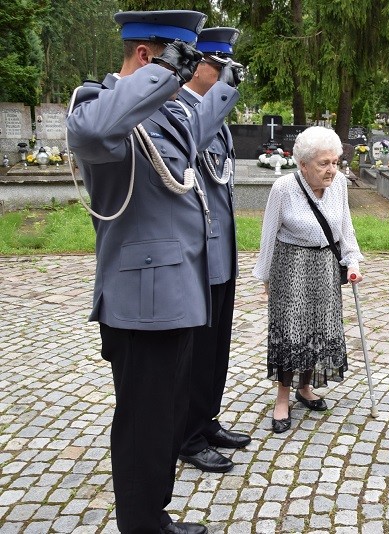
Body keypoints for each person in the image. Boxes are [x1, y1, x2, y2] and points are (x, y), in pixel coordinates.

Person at [66, 10, 237, 534]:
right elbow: (93, 135)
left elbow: (194, 136)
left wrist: (225, 86)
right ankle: (141, 525)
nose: (185, 78)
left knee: (163, 416)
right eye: (181, 65)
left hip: (178, 291)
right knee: (144, 422)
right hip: (142, 301)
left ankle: (153, 515)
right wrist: (164, 75)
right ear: (148, 58)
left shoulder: (160, 115)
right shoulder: (95, 106)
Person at [174, 27, 251, 474]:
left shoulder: (209, 112)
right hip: (199, 254)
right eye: (218, 66)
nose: (224, 75)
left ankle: (206, 420)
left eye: (227, 67)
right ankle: (186, 435)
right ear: (197, 64)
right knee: (194, 349)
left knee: (216, 346)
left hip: (222, 251)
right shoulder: (180, 113)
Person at [252, 126, 364, 434]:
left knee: (319, 327)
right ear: (303, 164)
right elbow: (268, 234)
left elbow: (346, 227)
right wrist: (264, 277)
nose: (332, 170)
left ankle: (305, 388)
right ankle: (282, 398)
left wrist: (351, 259)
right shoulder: (284, 188)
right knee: (291, 331)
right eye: (323, 163)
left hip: (326, 263)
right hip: (291, 266)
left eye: (335, 162)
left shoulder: (339, 183)